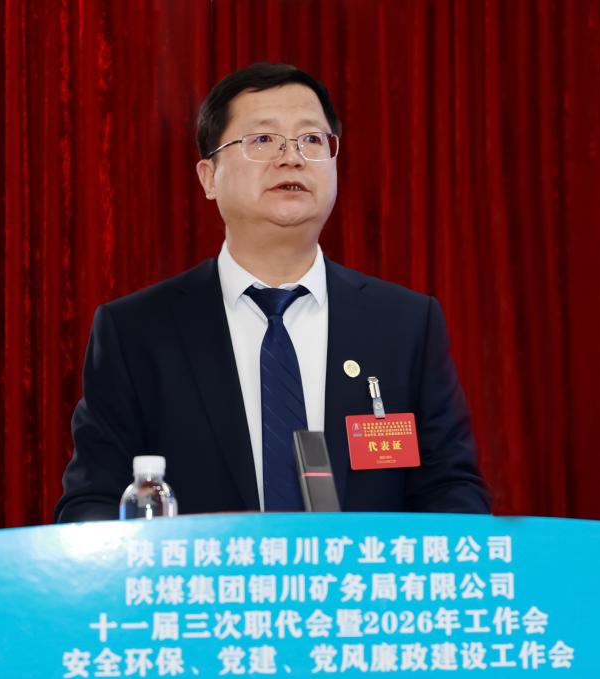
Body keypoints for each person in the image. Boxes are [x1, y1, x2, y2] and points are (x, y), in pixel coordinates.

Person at [55, 63, 490, 521]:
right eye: (263, 139)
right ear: (208, 177)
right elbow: (92, 501)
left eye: (311, 139)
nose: (292, 158)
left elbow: (451, 489)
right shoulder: (137, 332)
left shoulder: (404, 325)